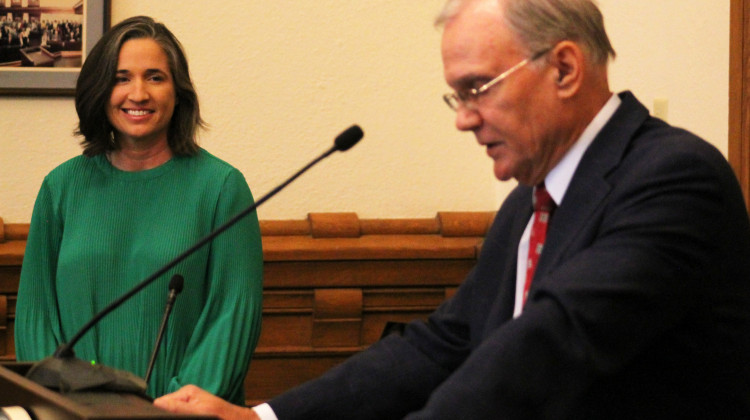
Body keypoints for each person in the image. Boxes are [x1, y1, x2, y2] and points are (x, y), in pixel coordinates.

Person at [155, 0, 750, 418]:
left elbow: (547, 343)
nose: (463, 117)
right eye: (456, 95)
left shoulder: (673, 178)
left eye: (477, 88)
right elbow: (444, 344)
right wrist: (262, 418)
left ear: (564, 68)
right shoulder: (529, 203)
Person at [15, 16, 263, 405]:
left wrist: (172, 410)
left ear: (178, 92)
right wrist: (59, 405)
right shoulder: (60, 187)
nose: (138, 93)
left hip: (181, 413)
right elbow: (36, 316)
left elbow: (232, 317)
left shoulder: (221, 188)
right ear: (101, 89)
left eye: (155, 77)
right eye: (121, 77)